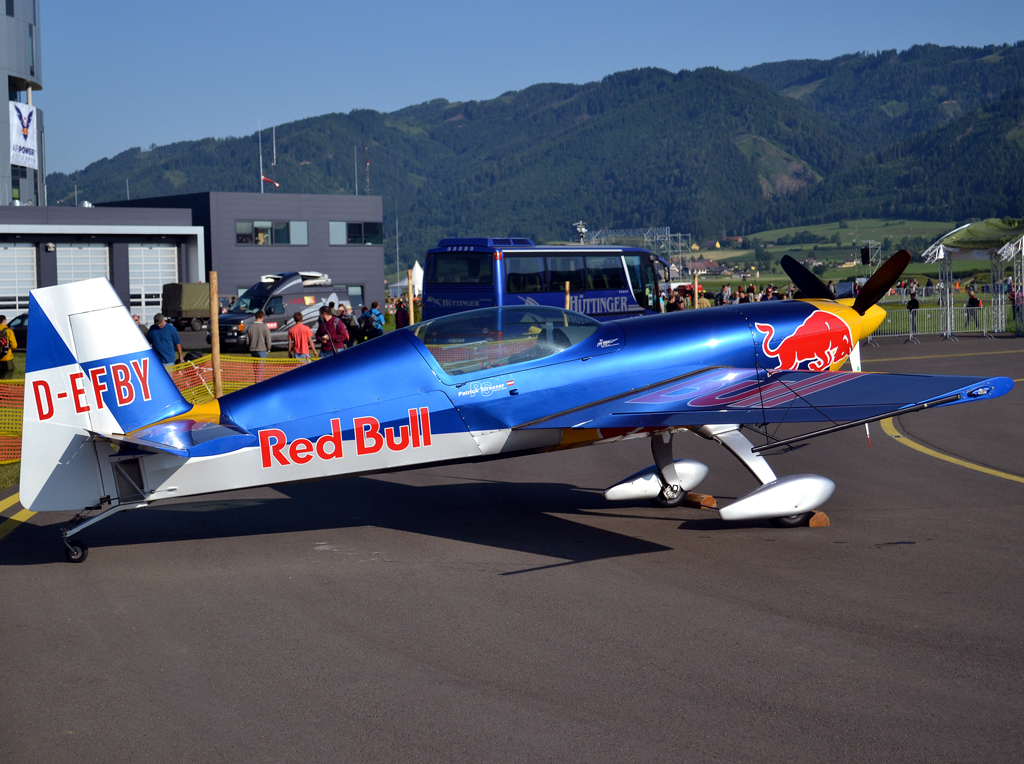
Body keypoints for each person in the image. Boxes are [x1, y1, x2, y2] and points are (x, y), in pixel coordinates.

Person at [0, 315, 16, 379]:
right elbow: (14, 345)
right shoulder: (9, 331)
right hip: (7, 357)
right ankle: (3, 388)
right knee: (9, 372)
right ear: (4, 321)